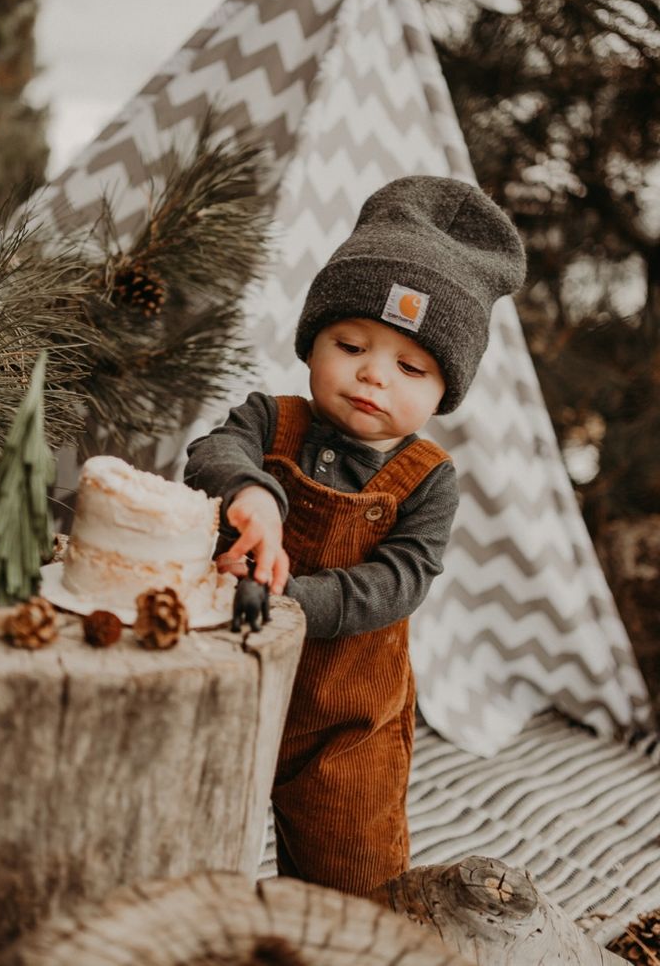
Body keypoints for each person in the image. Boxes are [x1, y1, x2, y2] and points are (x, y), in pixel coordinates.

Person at [185, 175, 525, 896]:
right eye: (350, 344)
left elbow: (399, 580)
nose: (373, 375)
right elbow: (213, 452)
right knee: (187, 848)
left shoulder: (429, 478)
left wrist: (295, 601)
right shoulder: (269, 418)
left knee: (352, 884)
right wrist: (252, 495)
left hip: (346, 723)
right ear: (314, 341)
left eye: (410, 366)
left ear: (444, 391)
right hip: (222, 687)